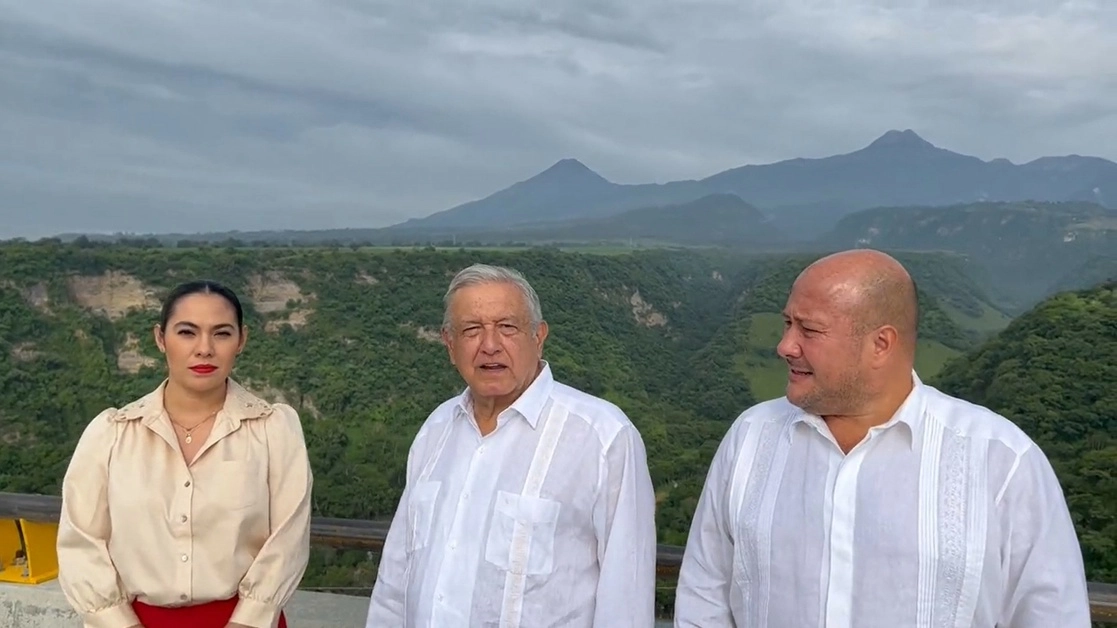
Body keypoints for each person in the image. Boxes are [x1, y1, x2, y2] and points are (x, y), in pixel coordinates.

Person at [673, 249, 1091, 627]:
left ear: (880, 344)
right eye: (787, 323)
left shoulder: (1000, 460)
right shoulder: (750, 438)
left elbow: (1053, 614)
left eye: (809, 330)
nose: (785, 346)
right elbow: (704, 597)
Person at [365, 263, 657, 627]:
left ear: (538, 336)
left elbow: (625, 599)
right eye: (472, 329)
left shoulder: (602, 438)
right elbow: (396, 578)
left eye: (507, 327)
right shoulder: (436, 430)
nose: (490, 345)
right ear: (449, 344)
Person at [56, 280, 314, 628]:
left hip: (248, 621)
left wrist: (247, 621)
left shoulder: (273, 430)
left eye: (221, 334)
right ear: (161, 338)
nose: (204, 349)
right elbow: (81, 542)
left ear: (242, 340)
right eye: (187, 332)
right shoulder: (112, 434)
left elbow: (288, 539)